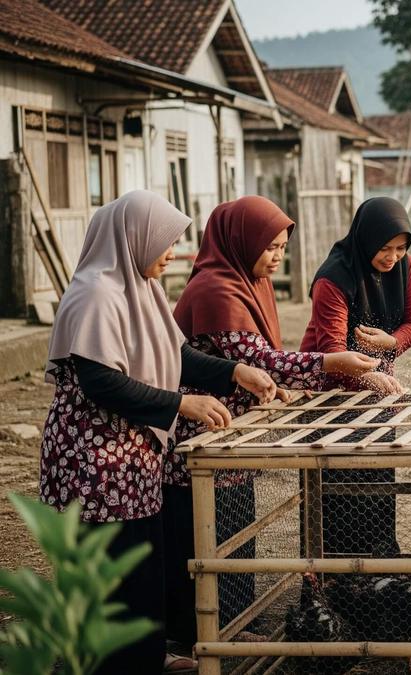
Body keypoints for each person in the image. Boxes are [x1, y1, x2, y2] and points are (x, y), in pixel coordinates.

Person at [39, 191, 277, 674]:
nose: (172, 253)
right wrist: (180, 402)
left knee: (142, 560)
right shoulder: (95, 295)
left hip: (133, 457)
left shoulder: (141, 288)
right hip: (94, 461)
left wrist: (234, 372)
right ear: (134, 238)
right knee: (109, 563)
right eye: (166, 242)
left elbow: (176, 354)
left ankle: (145, 655)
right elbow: (100, 380)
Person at [163, 196, 378, 644]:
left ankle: (238, 623)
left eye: (282, 246)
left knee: (238, 531)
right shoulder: (216, 290)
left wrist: (267, 387)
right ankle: (205, 632)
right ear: (241, 242)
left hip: (233, 433)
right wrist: (329, 362)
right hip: (202, 435)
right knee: (209, 538)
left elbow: (252, 367)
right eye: (270, 247)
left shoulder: (248, 283)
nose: (278, 256)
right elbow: (258, 358)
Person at [301, 197, 411, 556]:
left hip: (376, 391)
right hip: (330, 397)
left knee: (378, 480)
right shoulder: (333, 278)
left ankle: (379, 566)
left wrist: (391, 343)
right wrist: (372, 378)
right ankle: (335, 574)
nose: (393, 257)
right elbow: (331, 348)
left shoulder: (405, 268)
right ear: (365, 240)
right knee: (337, 489)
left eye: (401, 248)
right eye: (384, 248)